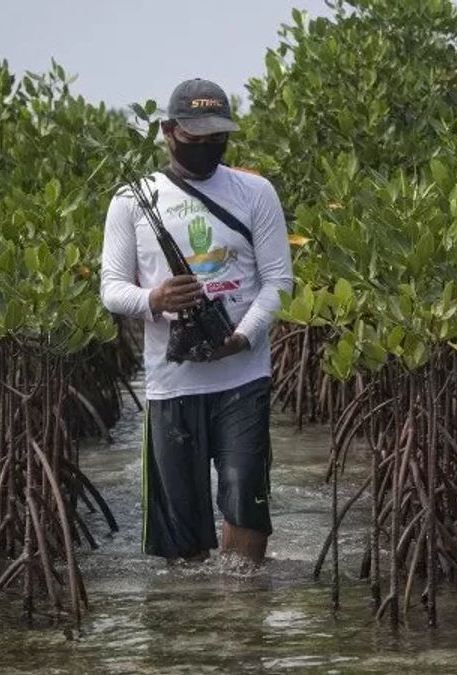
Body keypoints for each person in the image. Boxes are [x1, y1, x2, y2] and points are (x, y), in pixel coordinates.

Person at [99, 78, 294, 565]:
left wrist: (241, 337)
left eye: (217, 138)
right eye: (195, 137)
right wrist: (156, 298)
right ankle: (194, 624)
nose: (207, 147)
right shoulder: (130, 201)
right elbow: (111, 289)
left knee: (245, 505)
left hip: (243, 376)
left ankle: (241, 616)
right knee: (181, 540)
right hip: (172, 384)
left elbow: (278, 281)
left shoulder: (255, 192)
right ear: (168, 131)